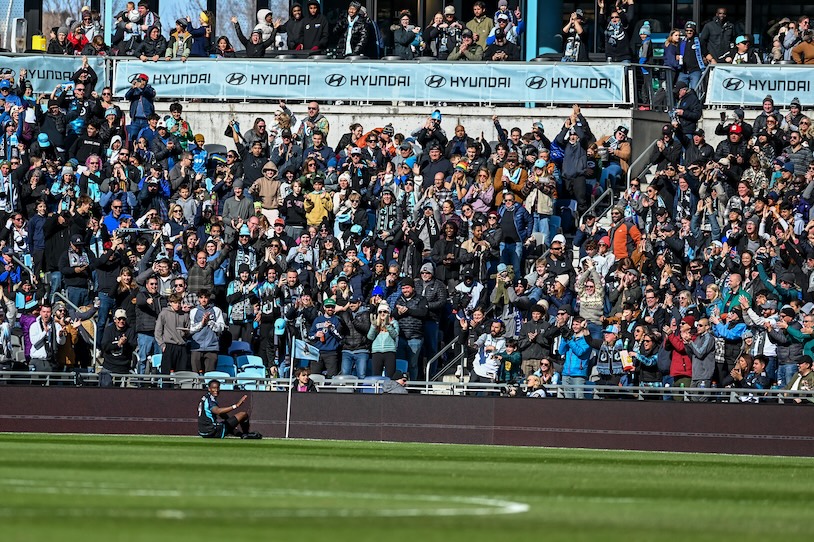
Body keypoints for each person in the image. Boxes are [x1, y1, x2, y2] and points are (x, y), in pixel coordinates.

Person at [100, 309, 137, 375]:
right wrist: (118, 344)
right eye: (119, 319)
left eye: (123, 319)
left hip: (123, 367)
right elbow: (104, 346)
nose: (121, 321)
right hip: (109, 365)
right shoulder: (109, 330)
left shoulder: (130, 331)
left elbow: (132, 347)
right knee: (104, 384)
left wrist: (125, 344)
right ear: (115, 320)